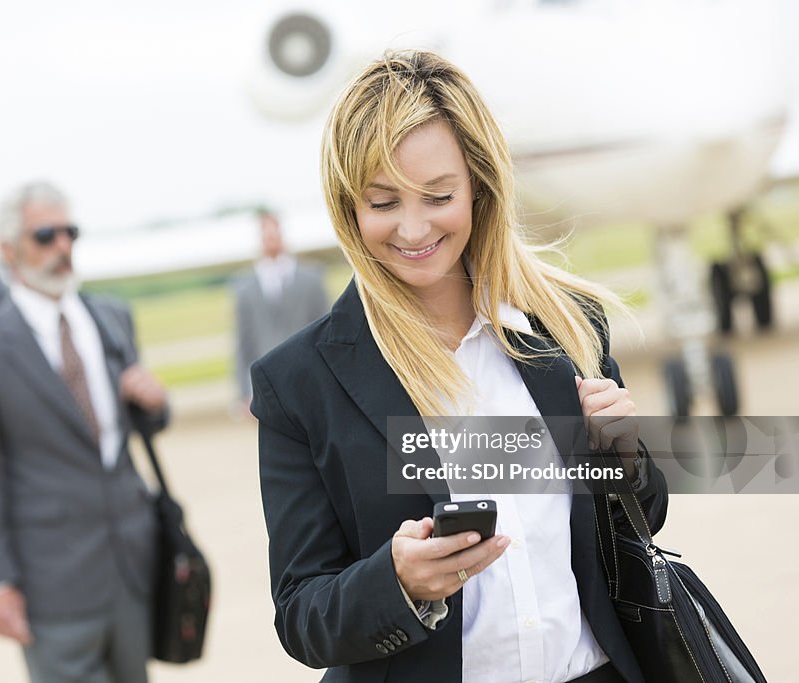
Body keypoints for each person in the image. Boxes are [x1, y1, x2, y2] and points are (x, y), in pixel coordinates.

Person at [251, 51, 668, 683]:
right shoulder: (297, 382)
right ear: (348, 207)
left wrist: (625, 459)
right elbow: (302, 615)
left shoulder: (567, 325)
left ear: (479, 183)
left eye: (438, 196)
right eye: (382, 202)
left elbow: (640, 520)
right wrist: (396, 584)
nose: (412, 228)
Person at [0, 181, 169, 683]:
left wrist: (154, 402)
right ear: (8, 250)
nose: (62, 247)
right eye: (44, 235)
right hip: (51, 582)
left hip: (132, 564)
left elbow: (137, 427)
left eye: (70, 232)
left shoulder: (111, 317)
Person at [233, 211, 328, 411]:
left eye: (274, 231)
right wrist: (244, 391)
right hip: (268, 382)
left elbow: (327, 329)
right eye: (265, 232)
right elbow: (243, 341)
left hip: (311, 376)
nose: (271, 237)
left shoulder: (311, 277)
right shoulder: (244, 287)